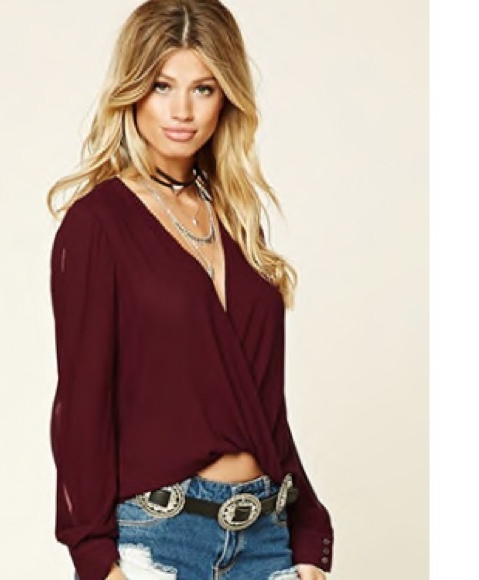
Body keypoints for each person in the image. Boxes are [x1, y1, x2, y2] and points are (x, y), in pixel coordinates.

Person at [47, 1, 334, 579]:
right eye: (162, 86)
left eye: (203, 88)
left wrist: (309, 533)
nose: (182, 110)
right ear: (133, 92)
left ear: (226, 97)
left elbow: (261, 402)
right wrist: (96, 559)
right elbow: (81, 407)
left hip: (267, 538)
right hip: (161, 541)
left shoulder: (237, 220)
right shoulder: (99, 224)